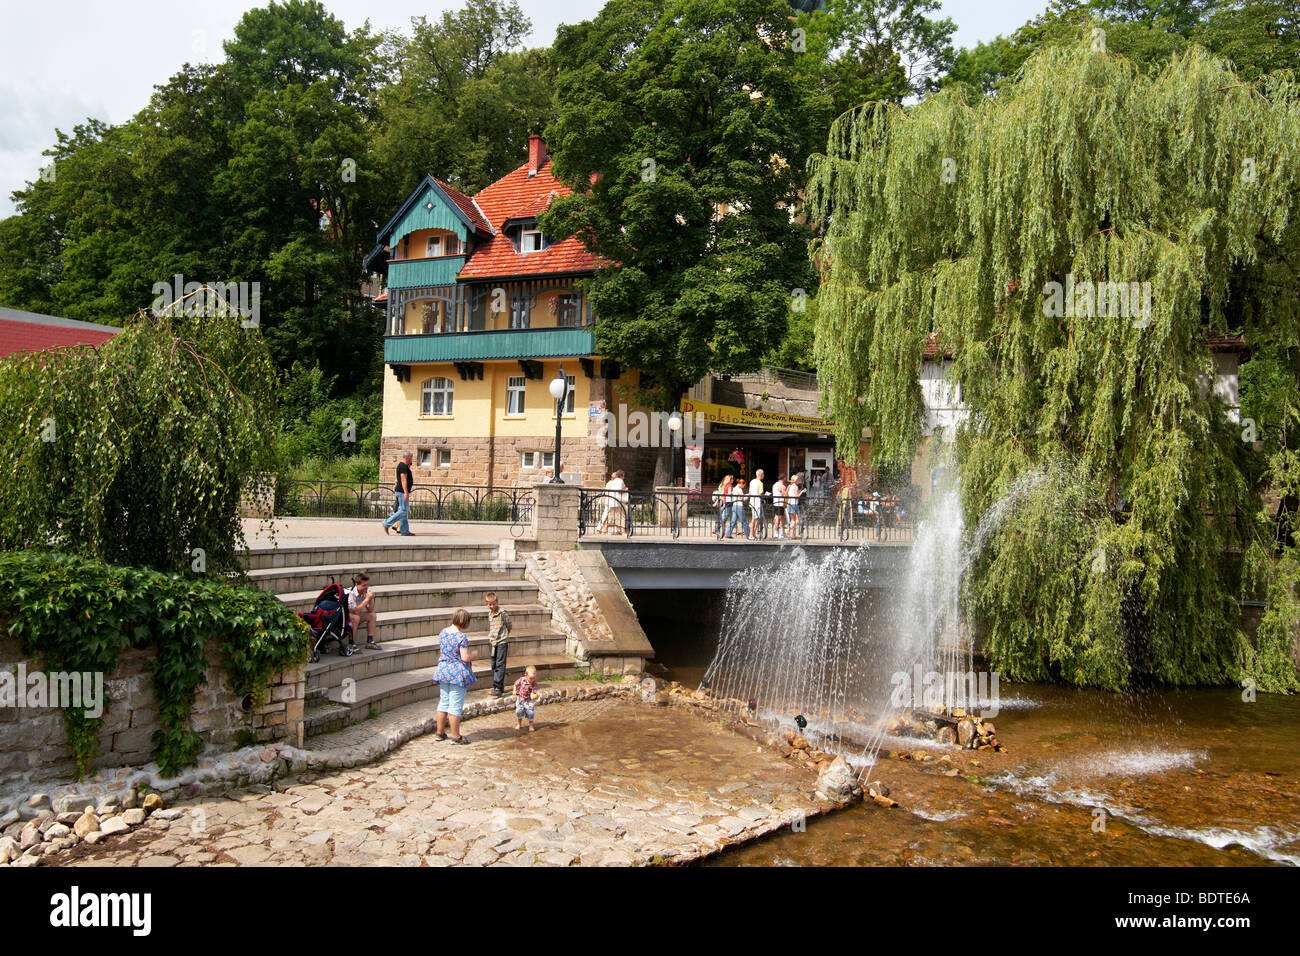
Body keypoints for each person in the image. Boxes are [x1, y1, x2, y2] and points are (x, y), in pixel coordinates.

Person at [433, 609, 476, 744]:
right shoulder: (461, 637)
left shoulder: (443, 632)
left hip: (443, 670)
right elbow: (464, 657)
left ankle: (439, 733)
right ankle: (456, 736)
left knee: (443, 702)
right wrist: (473, 655)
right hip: (457, 673)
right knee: (455, 705)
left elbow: (443, 651)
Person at [486, 591, 512, 698]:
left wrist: (504, 636)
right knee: (494, 663)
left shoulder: (502, 613)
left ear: (497, 602)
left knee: (500, 664)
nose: (492, 606)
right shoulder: (489, 614)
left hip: (501, 641)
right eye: (489, 604)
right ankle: (499, 686)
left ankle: (497, 687)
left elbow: (509, 624)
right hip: (493, 642)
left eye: (493, 604)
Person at [383, 451, 415, 536]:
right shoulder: (403, 466)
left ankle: (404, 531)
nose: (412, 460)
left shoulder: (402, 466)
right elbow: (403, 480)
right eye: (411, 458)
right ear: (408, 458)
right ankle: (387, 523)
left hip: (401, 491)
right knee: (403, 510)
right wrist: (406, 492)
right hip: (402, 491)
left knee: (403, 511)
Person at [344, 572, 378, 651]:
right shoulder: (350, 593)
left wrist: (370, 599)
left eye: (367, 585)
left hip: (355, 616)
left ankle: (370, 641)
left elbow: (370, 610)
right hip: (346, 619)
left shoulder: (364, 592)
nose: (366, 588)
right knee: (356, 617)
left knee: (372, 615)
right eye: (364, 585)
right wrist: (366, 599)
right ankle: (351, 643)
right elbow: (354, 611)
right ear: (356, 585)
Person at [598, 470, 628, 534]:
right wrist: (625, 490)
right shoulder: (620, 481)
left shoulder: (613, 481)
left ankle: (605, 529)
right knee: (622, 516)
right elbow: (619, 491)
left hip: (612, 501)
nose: (624, 477)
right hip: (618, 501)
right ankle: (623, 531)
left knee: (611, 516)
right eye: (623, 476)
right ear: (622, 475)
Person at [513, 664, 540, 732]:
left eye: (534, 678)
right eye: (531, 678)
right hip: (521, 698)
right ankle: (519, 724)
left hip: (529, 700)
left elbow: (534, 692)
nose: (532, 680)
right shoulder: (522, 680)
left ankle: (530, 725)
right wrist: (514, 690)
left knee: (531, 712)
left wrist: (533, 695)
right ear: (526, 675)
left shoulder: (534, 684)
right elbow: (515, 684)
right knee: (519, 711)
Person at [747, 469, 765, 539]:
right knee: (756, 519)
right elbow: (760, 493)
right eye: (763, 474)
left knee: (753, 518)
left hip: (752, 500)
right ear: (761, 475)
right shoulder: (760, 483)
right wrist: (764, 495)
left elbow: (750, 491)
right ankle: (752, 534)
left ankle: (752, 534)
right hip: (757, 501)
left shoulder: (752, 481)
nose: (763, 476)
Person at [771, 473, 787, 539]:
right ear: (784, 478)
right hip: (780, 504)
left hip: (775, 503)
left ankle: (780, 532)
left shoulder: (774, 484)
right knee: (779, 518)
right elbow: (785, 495)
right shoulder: (781, 486)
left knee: (779, 518)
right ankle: (777, 533)